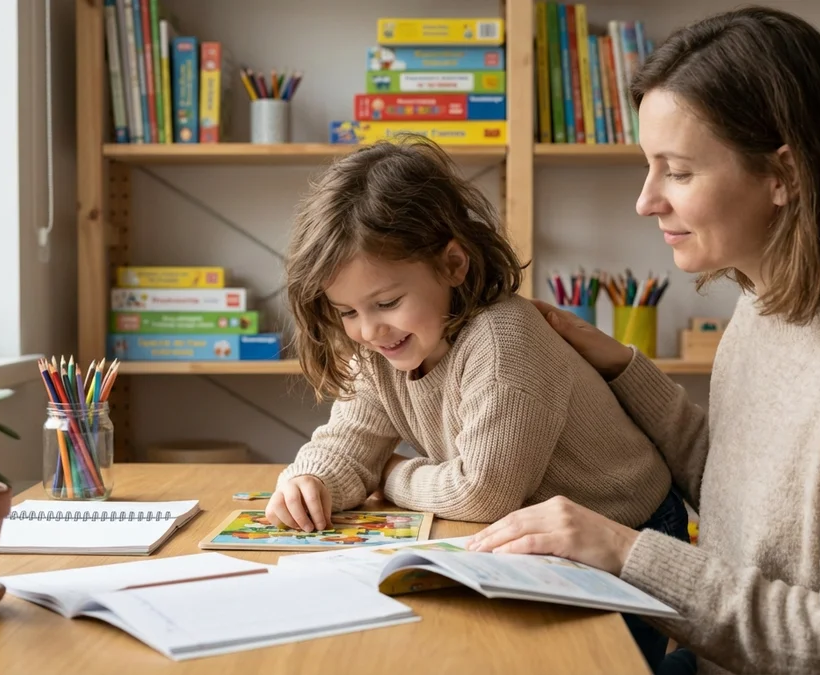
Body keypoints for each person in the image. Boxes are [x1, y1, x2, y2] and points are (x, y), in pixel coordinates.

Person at [467, 6, 820, 675]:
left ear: (783, 173)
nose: (645, 201)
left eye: (677, 171)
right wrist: (623, 371)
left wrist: (624, 552)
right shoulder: (767, 302)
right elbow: (743, 493)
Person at [268, 136, 689, 666]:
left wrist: (389, 476)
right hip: (541, 536)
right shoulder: (383, 347)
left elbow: (484, 492)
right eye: (347, 312)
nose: (369, 329)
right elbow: (351, 438)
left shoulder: (503, 337)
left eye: (387, 302)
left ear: (454, 264)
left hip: (627, 530)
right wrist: (312, 479)